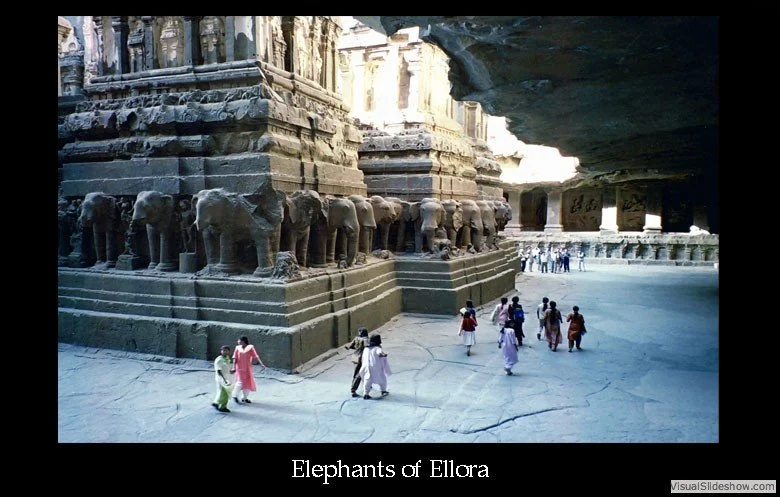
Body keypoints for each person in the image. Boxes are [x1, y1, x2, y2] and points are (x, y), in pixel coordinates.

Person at [231, 336, 266, 404]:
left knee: (247, 382)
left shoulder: (250, 348)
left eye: (239, 341)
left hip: (247, 368)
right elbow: (235, 358)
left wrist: (261, 364)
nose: (238, 342)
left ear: (243, 341)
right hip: (240, 368)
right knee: (240, 382)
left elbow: (256, 356)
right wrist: (234, 367)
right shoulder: (237, 348)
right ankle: (234, 395)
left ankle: (244, 397)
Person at [360, 333, 392, 399]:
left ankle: (366, 393)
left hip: (366, 366)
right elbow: (379, 353)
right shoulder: (377, 348)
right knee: (382, 379)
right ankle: (383, 390)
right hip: (375, 366)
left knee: (367, 379)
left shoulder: (366, 349)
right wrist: (383, 355)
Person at [345, 327, 370, 397]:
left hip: (355, 358)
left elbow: (350, 347)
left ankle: (365, 385)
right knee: (358, 375)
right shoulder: (366, 340)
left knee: (358, 373)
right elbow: (368, 347)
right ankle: (353, 390)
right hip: (362, 358)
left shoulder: (356, 339)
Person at [212, 345, 232, 413]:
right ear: (221, 351)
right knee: (225, 392)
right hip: (221, 378)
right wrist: (224, 380)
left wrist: (230, 371)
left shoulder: (227, 358)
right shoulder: (219, 360)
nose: (225, 352)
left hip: (226, 376)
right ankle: (221, 406)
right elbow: (219, 371)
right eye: (224, 350)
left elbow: (227, 367)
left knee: (222, 391)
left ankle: (217, 403)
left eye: (227, 350)